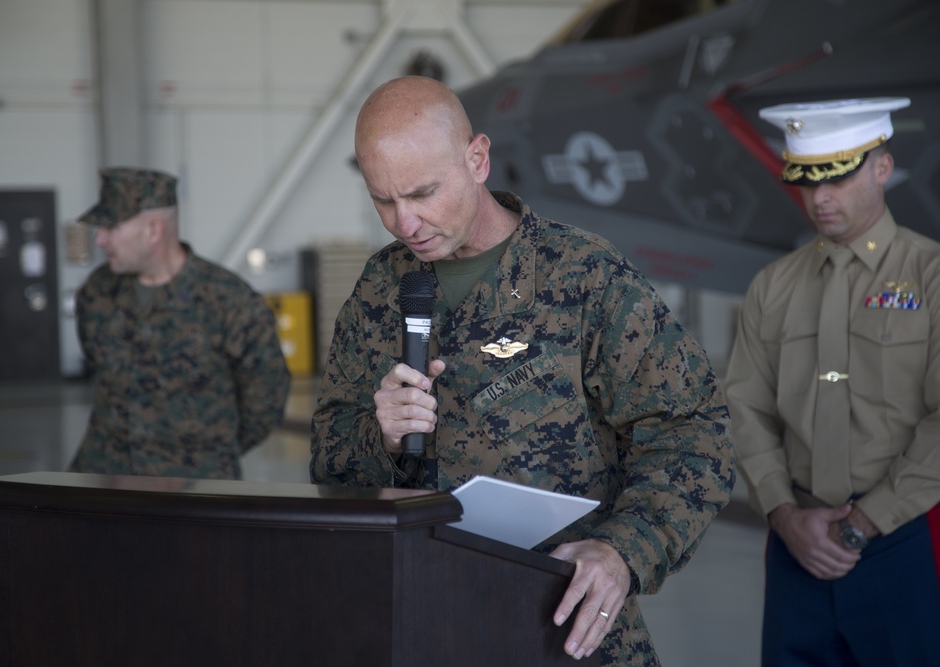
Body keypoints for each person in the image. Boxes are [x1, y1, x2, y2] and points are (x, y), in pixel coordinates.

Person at [309, 76, 735, 664]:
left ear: (477, 159)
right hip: (421, 627)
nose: (405, 223)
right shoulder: (379, 292)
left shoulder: (585, 277)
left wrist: (623, 553)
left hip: (562, 630)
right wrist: (378, 437)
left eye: (423, 193)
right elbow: (328, 460)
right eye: (384, 200)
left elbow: (693, 431)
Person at [725, 97, 940, 665]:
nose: (819, 198)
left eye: (838, 178)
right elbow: (744, 405)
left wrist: (864, 525)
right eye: (806, 181)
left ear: (882, 168)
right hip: (796, 544)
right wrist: (781, 513)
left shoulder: (932, 276)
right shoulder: (774, 286)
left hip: (902, 541)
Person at [69, 167, 290, 480]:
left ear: (153, 231)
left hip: (194, 488)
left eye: (111, 226)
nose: (100, 239)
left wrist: (209, 453)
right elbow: (97, 366)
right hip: (106, 476)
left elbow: (266, 399)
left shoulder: (229, 301)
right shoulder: (97, 293)